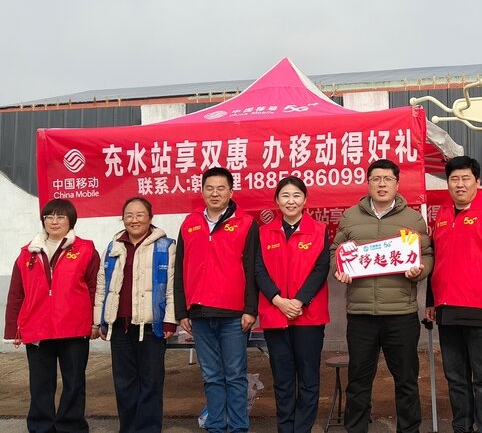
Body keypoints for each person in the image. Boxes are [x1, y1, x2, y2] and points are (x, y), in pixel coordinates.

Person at [331, 158, 433, 433]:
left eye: (388, 179)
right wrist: (340, 269)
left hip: (401, 314)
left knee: (407, 381)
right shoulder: (351, 216)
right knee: (358, 382)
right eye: (376, 179)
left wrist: (419, 271)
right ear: (368, 183)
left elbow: (426, 254)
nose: (382, 184)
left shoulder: (412, 218)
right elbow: (336, 251)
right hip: (361, 314)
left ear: (397, 184)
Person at [425, 156, 482, 433]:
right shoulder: (441, 215)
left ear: (477, 181)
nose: (460, 184)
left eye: (465, 179)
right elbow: (436, 261)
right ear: (448, 183)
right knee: (455, 377)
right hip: (447, 309)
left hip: (480, 309)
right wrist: (430, 302)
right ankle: (462, 427)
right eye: (454, 179)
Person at [173, 167, 259, 433]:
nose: (215, 193)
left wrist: (250, 309)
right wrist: (181, 311)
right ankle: (216, 427)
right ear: (202, 191)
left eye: (221, 188)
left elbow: (252, 268)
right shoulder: (190, 223)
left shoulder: (246, 223)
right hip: (199, 313)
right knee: (211, 376)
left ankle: (238, 428)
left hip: (234, 315)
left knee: (234, 376)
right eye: (209, 188)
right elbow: (180, 269)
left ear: (231, 192)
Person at [4, 199, 100, 433]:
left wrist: (96, 323)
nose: (54, 221)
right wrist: (13, 329)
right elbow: (16, 292)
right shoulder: (27, 252)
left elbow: (95, 289)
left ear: (71, 221)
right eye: (49, 217)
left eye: (60, 217)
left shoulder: (86, 250)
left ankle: (71, 426)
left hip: (74, 327)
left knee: (74, 382)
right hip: (37, 327)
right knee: (40, 384)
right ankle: (41, 427)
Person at [93, 196, 177, 433]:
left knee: (151, 382)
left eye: (140, 215)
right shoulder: (113, 247)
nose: (134, 220)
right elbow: (102, 286)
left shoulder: (166, 246)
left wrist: (170, 320)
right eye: (129, 215)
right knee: (124, 383)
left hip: (151, 326)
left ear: (150, 217)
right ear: (123, 219)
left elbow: (172, 286)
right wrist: (100, 321)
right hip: (120, 326)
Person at [256, 177, 330, 433]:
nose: (291, 201)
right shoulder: (264, 232)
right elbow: (258, 270)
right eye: (285, 196)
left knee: (308, 379)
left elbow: (321, 269)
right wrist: (278, 300)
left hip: (308, 315)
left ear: (305, 200)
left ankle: (302, 429)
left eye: (296, 195)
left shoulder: (319, 230)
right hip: (275, 314)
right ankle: (285, 428)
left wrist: (298, 301)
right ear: (276, 200)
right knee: (283, 379)